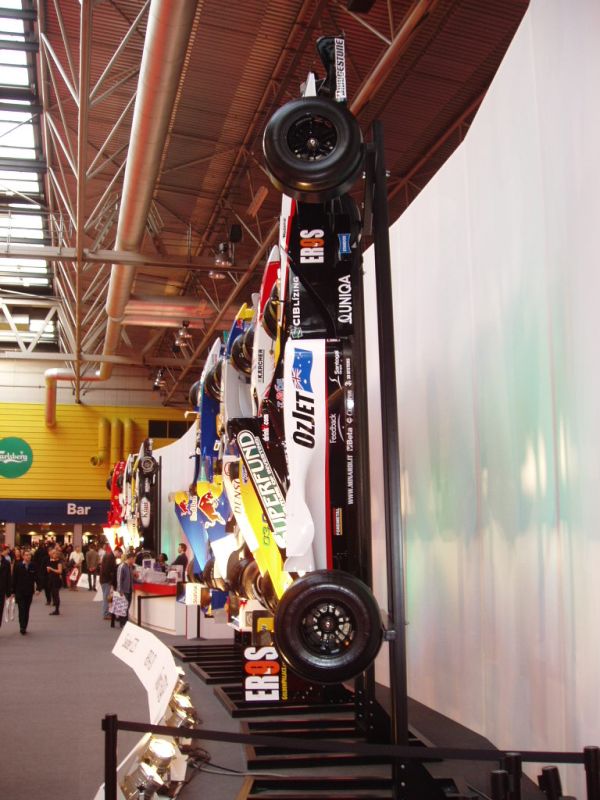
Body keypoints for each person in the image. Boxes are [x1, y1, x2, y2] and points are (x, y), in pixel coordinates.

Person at [12, 550, 41, 634]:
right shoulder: (18, 566)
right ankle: (22, 626)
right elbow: (14, 578)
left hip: (29, 591)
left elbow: (37, 577)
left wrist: (38, 588)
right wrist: (12, 591)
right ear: (23, 556)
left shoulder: (33, 565)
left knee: (26, 609)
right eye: (26, 555)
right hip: (19, 591)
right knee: (21, 609)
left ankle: (25, 625)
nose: (28, 557)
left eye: (29, 555)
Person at [112, 550, 136, 628]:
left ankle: (124, 621)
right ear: (130, 558)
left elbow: (131, 578)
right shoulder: (122, 566)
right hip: (124, 590)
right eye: (133, 559)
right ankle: (123, 622)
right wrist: (120, 590)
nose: (134, 561)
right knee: (124, 606)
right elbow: (119, 579)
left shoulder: (130, 567)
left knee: (127, 606)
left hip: (129, 589)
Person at [99, 546, 117, 620]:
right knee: (106, 597)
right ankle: (105, 614)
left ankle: (106, 613)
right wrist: (110, 580)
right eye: (120, 554)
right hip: (106, 580)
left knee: (106, 597)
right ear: (117, 551)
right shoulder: (110, 557)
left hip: (104, 580)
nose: (119, 556)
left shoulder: (108, 556)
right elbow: (107, 570)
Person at [46, 547, 63, 615]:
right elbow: (49, 571)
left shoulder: (59, 562)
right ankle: (56, 609)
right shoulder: (51, 561)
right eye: (52, 553)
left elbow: (60, 571)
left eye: (54, 553)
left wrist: (51, 569)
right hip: (51, 579)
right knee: (53, 594)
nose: (53, 554)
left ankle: (57, 610)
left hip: (56, 580)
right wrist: (48, 569)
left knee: (56, 594)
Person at [0, 545, 12, 628]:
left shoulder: (6, 563)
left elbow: (8, 578)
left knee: (0, 609)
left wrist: (9, 592)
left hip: (1, 589)